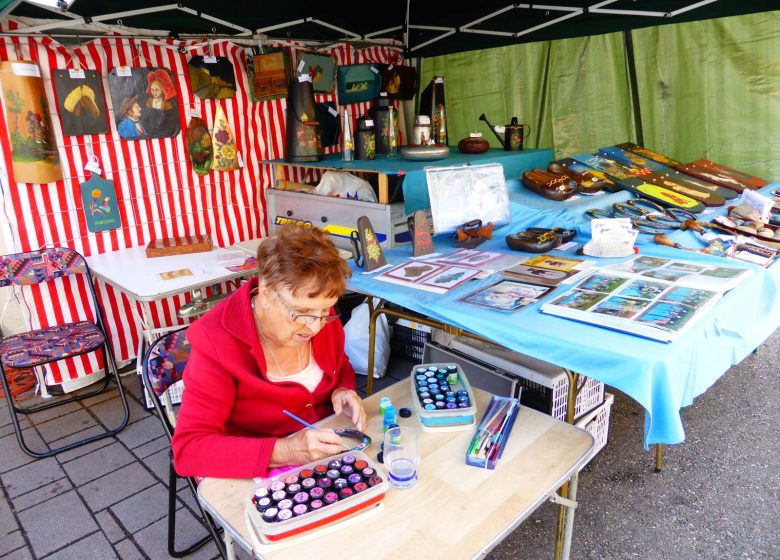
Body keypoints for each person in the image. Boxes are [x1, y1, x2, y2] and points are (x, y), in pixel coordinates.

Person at [172, 225, 365, 479]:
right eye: (300, 313)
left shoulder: (318, 312)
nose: (315, 326)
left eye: (324, 312)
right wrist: (286, 450)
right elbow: (190, 451)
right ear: (265, 291)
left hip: (327, 457)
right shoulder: (216, 342)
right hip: (255, 473)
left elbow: (340, 366)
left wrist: (343, 388)